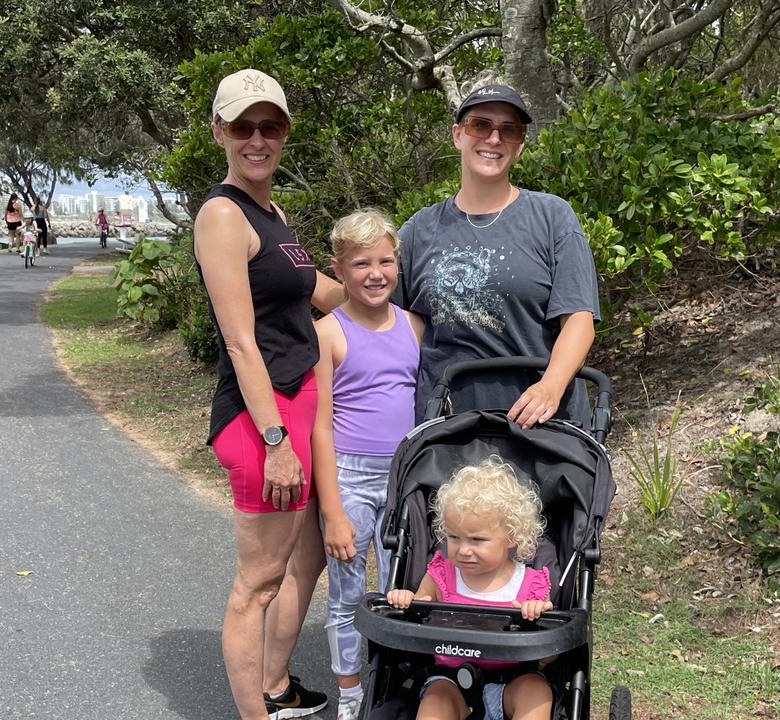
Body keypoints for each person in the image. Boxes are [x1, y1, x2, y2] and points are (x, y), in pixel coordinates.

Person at [193, 68, 344, 720]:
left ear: (284, 132)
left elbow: (318, 296)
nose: (258, 138)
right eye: (244, 125)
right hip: (264, 418)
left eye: (271, 125)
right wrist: (277, 441)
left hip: (298, 403)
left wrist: (383, 273)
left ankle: (277, 687)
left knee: (297, 562)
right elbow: (241, 342)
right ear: (219, 131)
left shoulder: (272, 213)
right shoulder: (223, 214)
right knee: (256, 583)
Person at [393, 84, 600, 429]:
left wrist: (550, 386)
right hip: (449, 431)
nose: (493, 138)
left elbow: (579, 318)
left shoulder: (552, 217)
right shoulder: (418, 230)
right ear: (457, 135)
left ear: (520, 145)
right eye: (480, 125)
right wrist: (297, 275)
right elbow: (376, 319)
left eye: (509, 130)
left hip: (541, 427)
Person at [311, 209, 423, 720]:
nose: (374, 273)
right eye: (361, 264)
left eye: (384, 261)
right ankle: (352, 691)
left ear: (397, 264)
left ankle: (396, 679)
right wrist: (332, 510)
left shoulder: (414, 327)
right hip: (349, 477)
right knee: (347, 593)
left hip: (404, 477)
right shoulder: (328, 333)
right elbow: (320, 426)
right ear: (338, 268)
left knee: (400, 586)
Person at [386, 457, 554, 720]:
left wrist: (538, 621)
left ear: (511, 536)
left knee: (537, 692)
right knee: (436, 700)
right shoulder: (441, 575)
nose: (463, 550)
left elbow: (551, 659)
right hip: (450, 681)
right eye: (454, 537)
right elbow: (415, 628)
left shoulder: (530, 585)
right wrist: (408, 603)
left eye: (477, 540)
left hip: (512, 681)